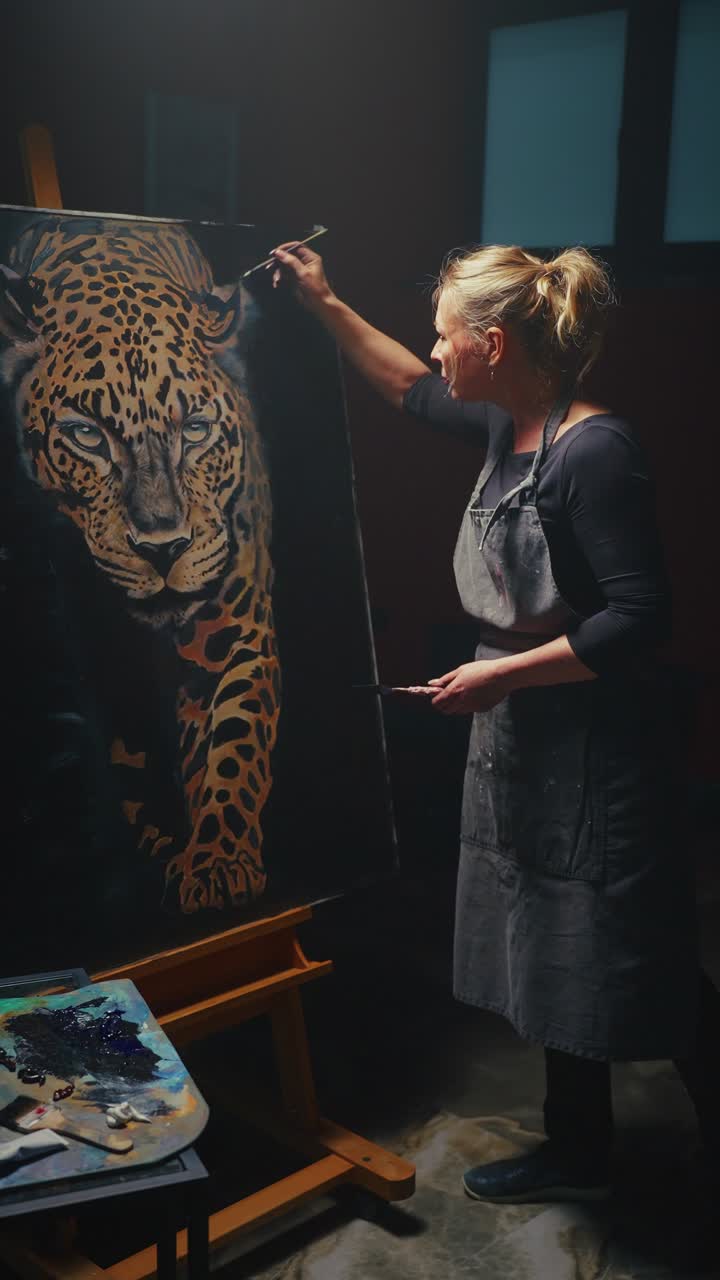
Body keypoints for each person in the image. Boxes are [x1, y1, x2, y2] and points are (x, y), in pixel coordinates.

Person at [271, 239, 720, 1204]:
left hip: (598, 741)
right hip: (526, 720)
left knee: (637, 952)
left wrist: (506, 677)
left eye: (445, 337)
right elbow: (404, 388)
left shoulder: (593, 451)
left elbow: (641, 620)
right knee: (556, 945)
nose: (435, 354)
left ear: (495, 342)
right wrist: (325, 301)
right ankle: (578, 1149)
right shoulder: (506, 425)